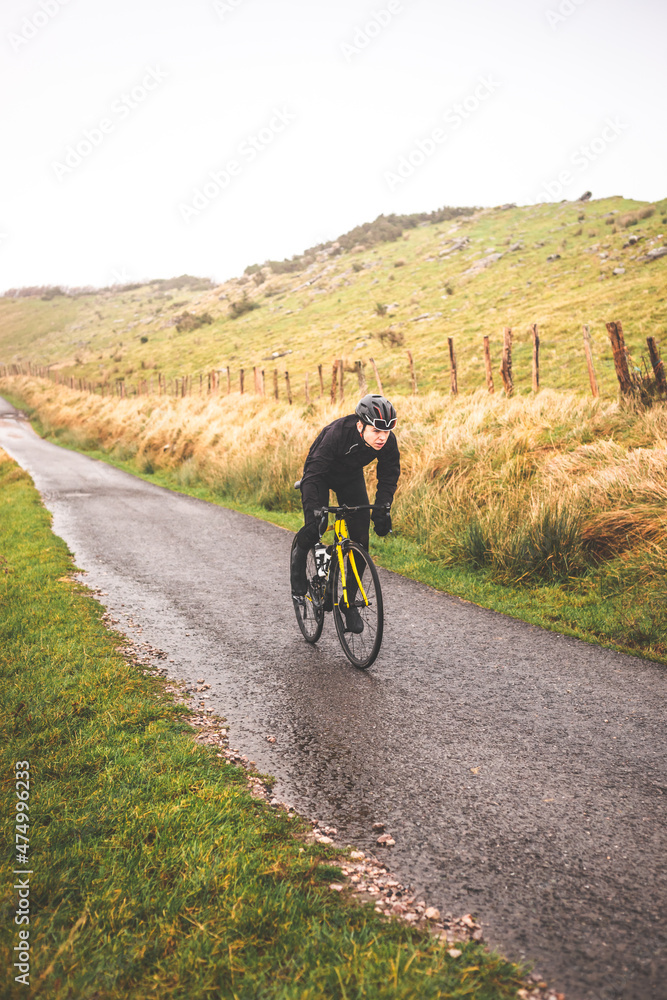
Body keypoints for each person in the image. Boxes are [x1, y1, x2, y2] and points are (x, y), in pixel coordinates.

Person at [291, 394, 400, 632]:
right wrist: (315, 512)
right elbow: (313, 474)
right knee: (317, 526)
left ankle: (348, 602)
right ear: (360, 425)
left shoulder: (386, 441)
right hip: (319, 473)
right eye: (376, 431)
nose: (382, 437)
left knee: (361, 539)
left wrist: (383, 507)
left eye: (387, 431)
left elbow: (389, 473)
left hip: (350, 477)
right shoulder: (337, 435)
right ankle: (298, 565)